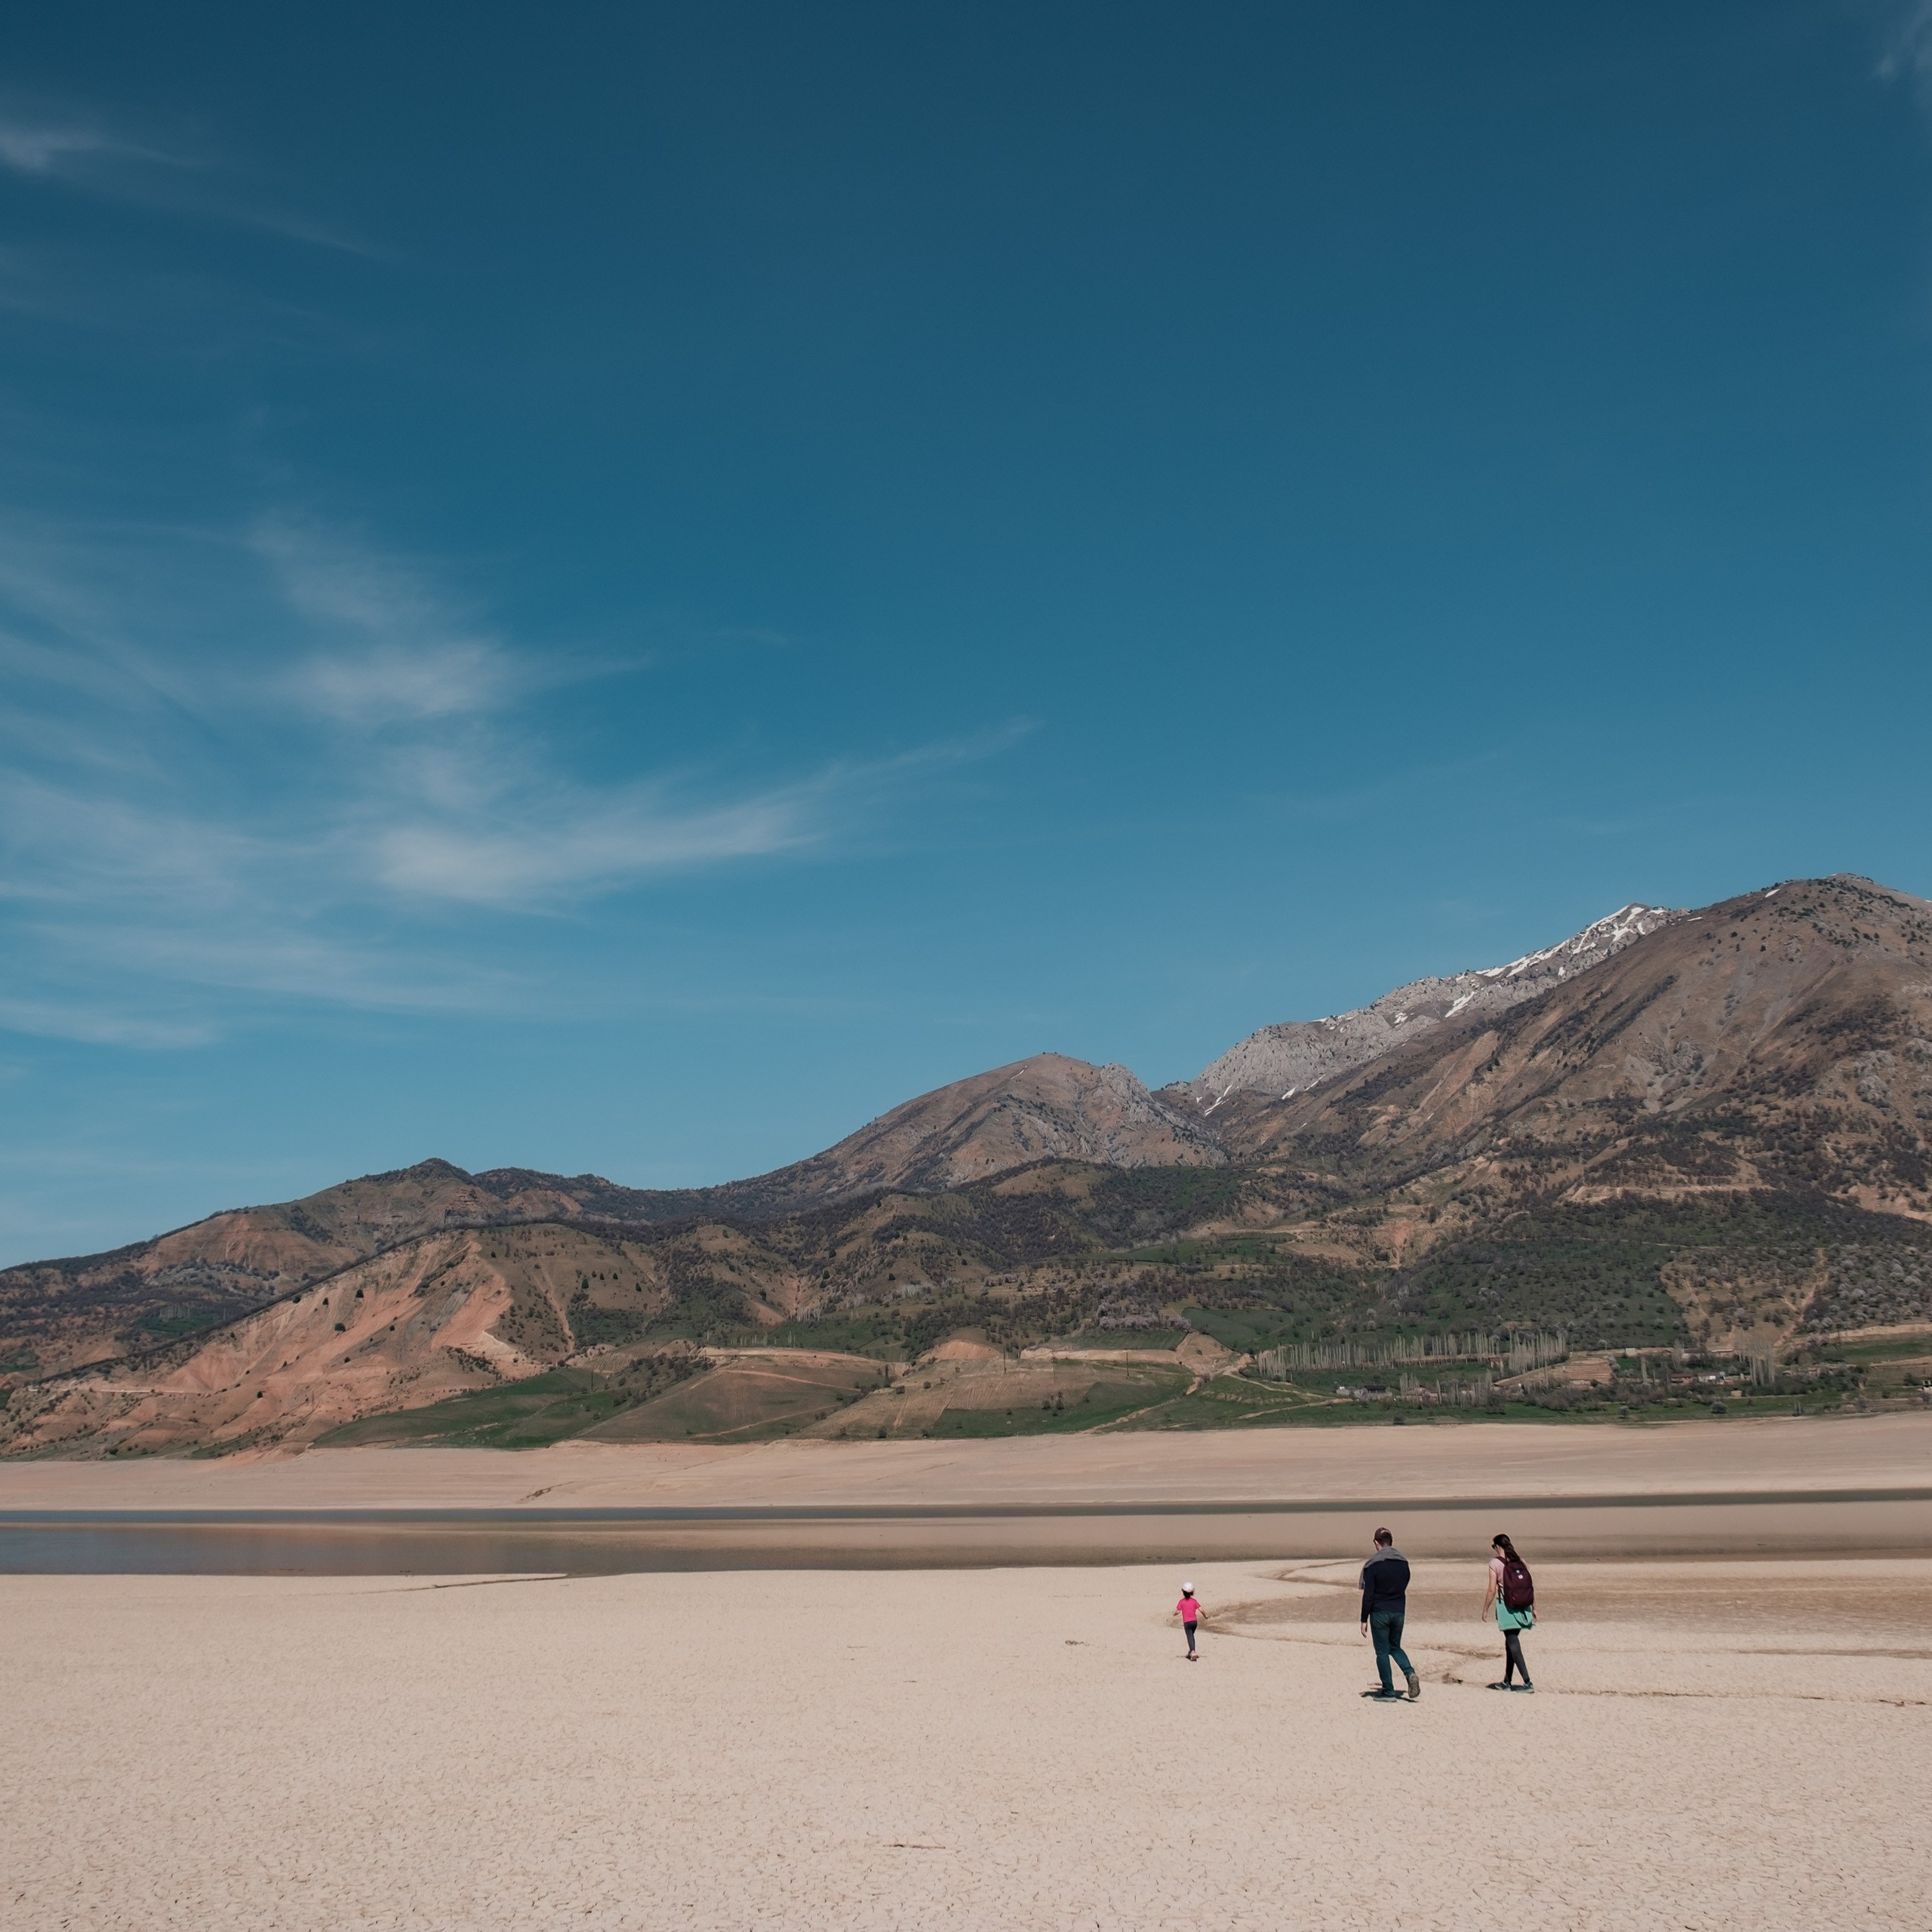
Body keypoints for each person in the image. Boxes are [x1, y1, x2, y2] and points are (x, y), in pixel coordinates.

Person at [1358, 1527, 1420, 1701]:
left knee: (1382, 1652)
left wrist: (1363, 1619)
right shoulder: (1403, 1563)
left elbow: (1368, 1595)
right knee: (1395, 1647)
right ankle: (1410, 1673)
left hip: (1380, 1612)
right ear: (1391, 1542)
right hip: (1399, 1611)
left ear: (1376, 1542)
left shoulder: (1373, 1564)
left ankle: (1388, 1691)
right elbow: (1404, 1583)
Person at [1482, 1532, 1535, 1692]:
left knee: (1513, 1642)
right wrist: (1534, 1608)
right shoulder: (1521, 1561)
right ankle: (1507, 1681)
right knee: (1510, 1643)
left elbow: (1492, 1590)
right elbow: (1529, 1587)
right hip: (1523, 1606)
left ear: (1498, 1546)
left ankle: (1527, 1682)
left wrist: (1485, 1609)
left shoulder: (1495, 1563)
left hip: (1507, 1606)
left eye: (1494, 1546)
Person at [1174, 1581, 1201, 1660]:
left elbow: (1178, 1611)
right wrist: (1205, 1616)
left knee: (1190, 1636)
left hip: (1187, 1623)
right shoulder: (1194, 1601)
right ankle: (1191, 1651)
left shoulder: (1182, 1602)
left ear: (1183, 1592)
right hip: (1194, 1622)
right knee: (1191, 1636)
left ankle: (1193, 1652)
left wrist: (1174, 1614)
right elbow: (1201, 1609)